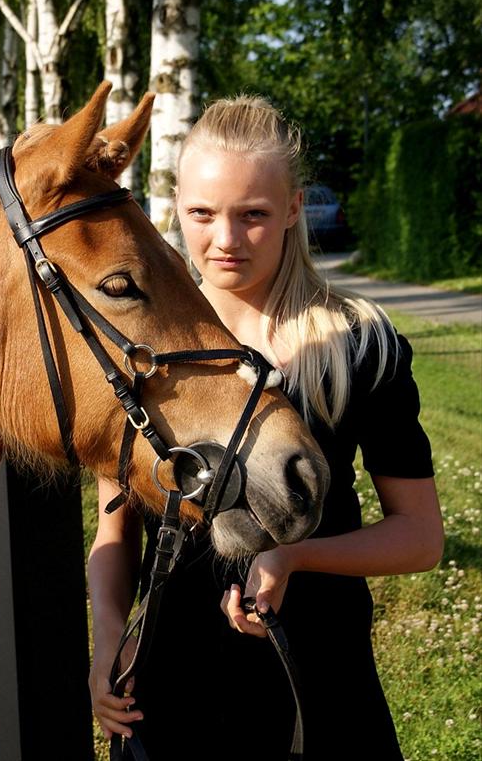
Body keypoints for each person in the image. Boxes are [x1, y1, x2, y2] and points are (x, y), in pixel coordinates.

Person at [87, 95, 443, 759]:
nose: (225, 239)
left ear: (292, 209)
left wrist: (296, 555)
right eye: (202, 214)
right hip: (169, 698)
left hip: (318, 686)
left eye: (252, 215)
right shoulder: (137, 347)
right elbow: (116, 528)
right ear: (174, 211)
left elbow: (421, 537)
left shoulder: (358, 345)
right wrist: (109, 633)